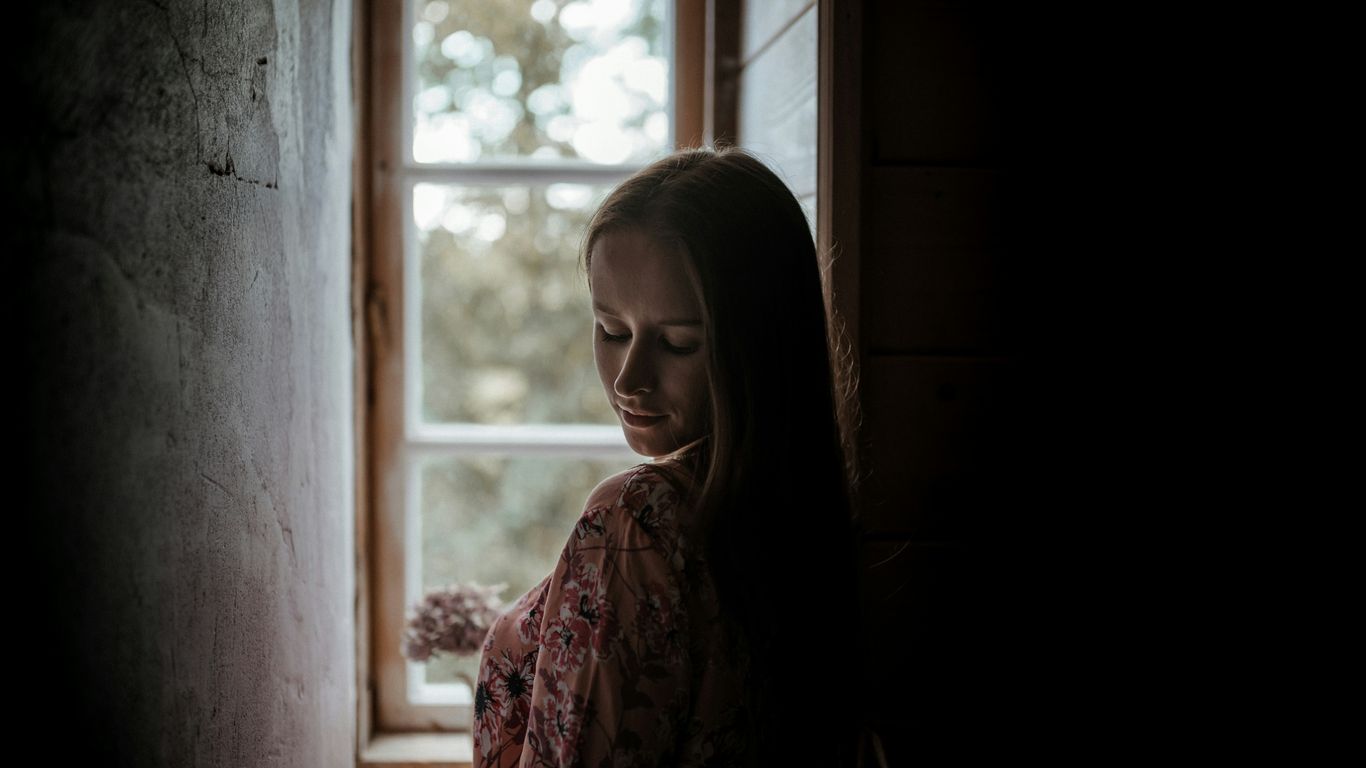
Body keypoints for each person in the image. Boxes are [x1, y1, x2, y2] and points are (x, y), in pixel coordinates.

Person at [474, 146, 868, 767]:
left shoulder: (635, 519)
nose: (630, 379)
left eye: (678, 343)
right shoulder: (808, 520)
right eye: (612, 331)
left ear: (761, 344)